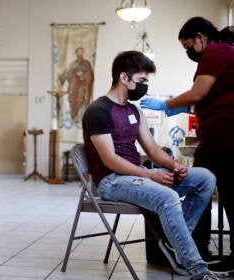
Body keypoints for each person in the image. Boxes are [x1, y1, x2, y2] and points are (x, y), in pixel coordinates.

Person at [83, 50, 218, 280]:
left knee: (205, 178)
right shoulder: (98, 111)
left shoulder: (133, 111)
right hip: (111, 181)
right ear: (124, 78)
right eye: (142, 81)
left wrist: (174, 166)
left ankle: (175, 241)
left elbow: (153, 150)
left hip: (136, 176)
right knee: (167, 197)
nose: (144, 86)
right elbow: (110, 160)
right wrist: (149, 175)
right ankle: (197, 269)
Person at [140, 17, 234, 274]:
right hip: (219, 136)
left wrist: (165, 104)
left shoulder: (217, 52)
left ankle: (194, 248)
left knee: (207, 187)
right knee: (211, 187)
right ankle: (195, 248)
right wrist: (179, 107)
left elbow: (198, 93)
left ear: (201, 38)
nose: (188, 52)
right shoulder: (223, 54)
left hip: (224, 138)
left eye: (187, 45)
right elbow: (208, 97)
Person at [58, 46, 94, 123]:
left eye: (82, 52)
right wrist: (61, 78)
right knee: (74, 100)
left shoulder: (87, 63)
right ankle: (76, 118)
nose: (80, 53)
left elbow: (90, 75)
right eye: (79, 52)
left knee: (83, 102)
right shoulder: (73, 64)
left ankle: (83, 118)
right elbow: (67, 72)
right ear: (76, 53)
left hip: (84, 86)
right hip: (75, 87)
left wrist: (83, 74)